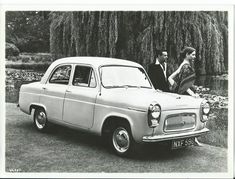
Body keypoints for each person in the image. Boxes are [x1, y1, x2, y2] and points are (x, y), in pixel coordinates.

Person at [168, 46, 202, 146]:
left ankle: (188, 139)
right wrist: (193, 94)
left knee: (182, 117)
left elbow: (170, 77)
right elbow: (184, 84)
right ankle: (193, 138)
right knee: (193, 116)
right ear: (187, 54)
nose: (195, 56)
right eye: (193, 54)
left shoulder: (182, 64)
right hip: (186, 96)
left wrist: (175, 87)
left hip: (180, 95)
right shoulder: (186, 66)